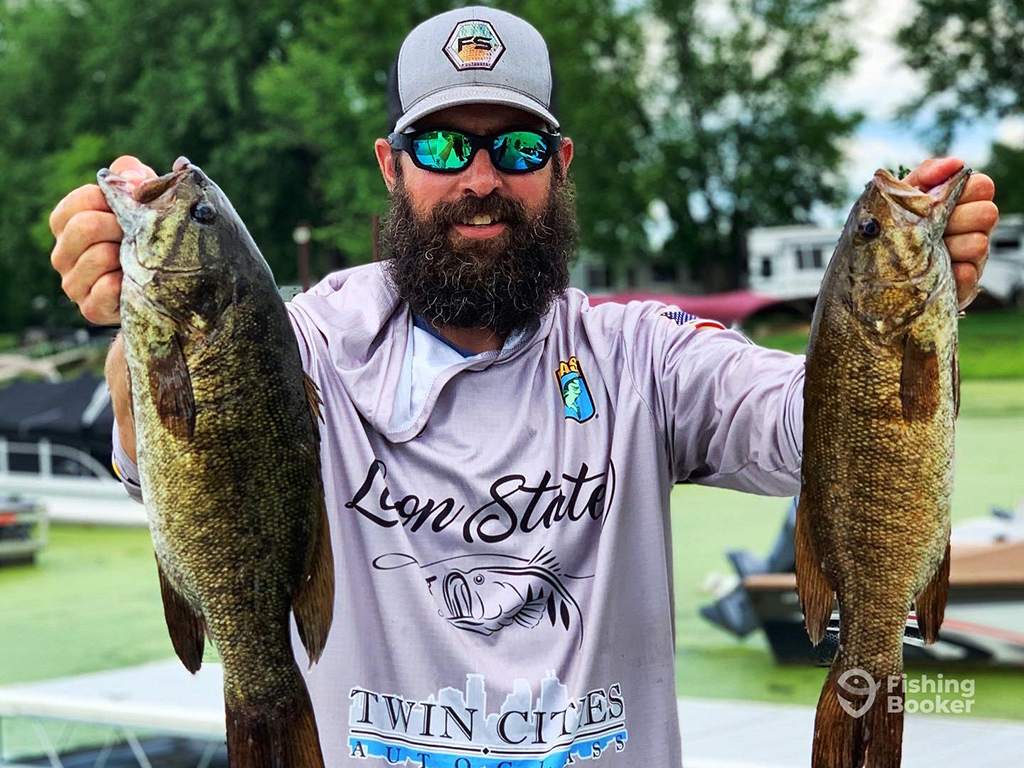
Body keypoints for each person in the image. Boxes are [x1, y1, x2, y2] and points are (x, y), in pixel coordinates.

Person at [47, 7, 998, 767]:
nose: (483, 179)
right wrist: (138, 329)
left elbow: (808, 422)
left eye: (519, 149)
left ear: (562, 165)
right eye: (445, 149)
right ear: (392, 165)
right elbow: (194, 436)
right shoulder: (308, 346)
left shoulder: (641, 357)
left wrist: (890, 325)